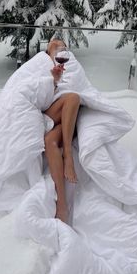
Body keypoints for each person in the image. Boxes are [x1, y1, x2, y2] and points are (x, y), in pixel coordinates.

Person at [43, 39, 80, 223]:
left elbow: (81, 85)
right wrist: (53, 81)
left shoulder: (71, 63)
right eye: (54, 44)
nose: (58, 45)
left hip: (68, 114)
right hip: (52, 110)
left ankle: (68, 157)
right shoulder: (41, 63)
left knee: (73, 97)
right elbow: (35, 89)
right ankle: (62, 204)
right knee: (72, 98)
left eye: (62, 45)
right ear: (48, 50)